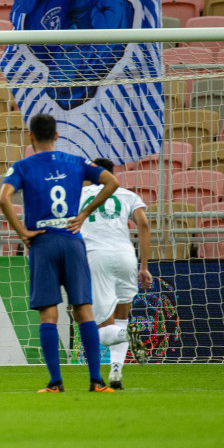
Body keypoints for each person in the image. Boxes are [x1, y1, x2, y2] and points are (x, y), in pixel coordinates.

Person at [0, 113, 120, 393]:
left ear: (31, 137)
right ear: (56, 135)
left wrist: (22, 232)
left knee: (48, 315)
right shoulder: (76, 162)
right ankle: (96, 381)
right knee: (84, 310)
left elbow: (3, 198)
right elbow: (112, 182)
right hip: (72, 240)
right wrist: (85, 213)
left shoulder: (22, 166)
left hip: (42, 243)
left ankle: (56, 383)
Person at [79, 158, 152, 389]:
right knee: (122, 317)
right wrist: (144, 266)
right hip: (125, 257)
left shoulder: (80, 194)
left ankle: (126, 334)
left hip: (95, 258)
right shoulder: (128, 195)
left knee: (102, 328)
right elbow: (144, 224)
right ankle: (116, 373)